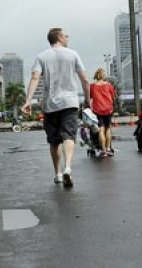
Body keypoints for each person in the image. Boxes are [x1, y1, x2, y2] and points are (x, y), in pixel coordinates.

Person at [23, 28, 91, 187]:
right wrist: (87, 99)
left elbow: (35, 78)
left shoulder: (41, 56)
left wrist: (28, 101)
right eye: (66, 35)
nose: (68, 38)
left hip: (50, 104)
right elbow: (85, 80)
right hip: (70, 103)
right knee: (69, 136)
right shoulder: (73, 54)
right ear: (60, 37)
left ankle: (58, 174)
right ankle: (68, 167)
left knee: (54, 141)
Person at [89, 68, 116, 157]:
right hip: (108, 109)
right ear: (103, 75)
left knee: (101, 129)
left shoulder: (92, 86)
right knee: (108, 129)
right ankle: (108, 149)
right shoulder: (108, 85)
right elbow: (113, 97)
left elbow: (90, 97)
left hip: (98, 110)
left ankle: (103, 150)